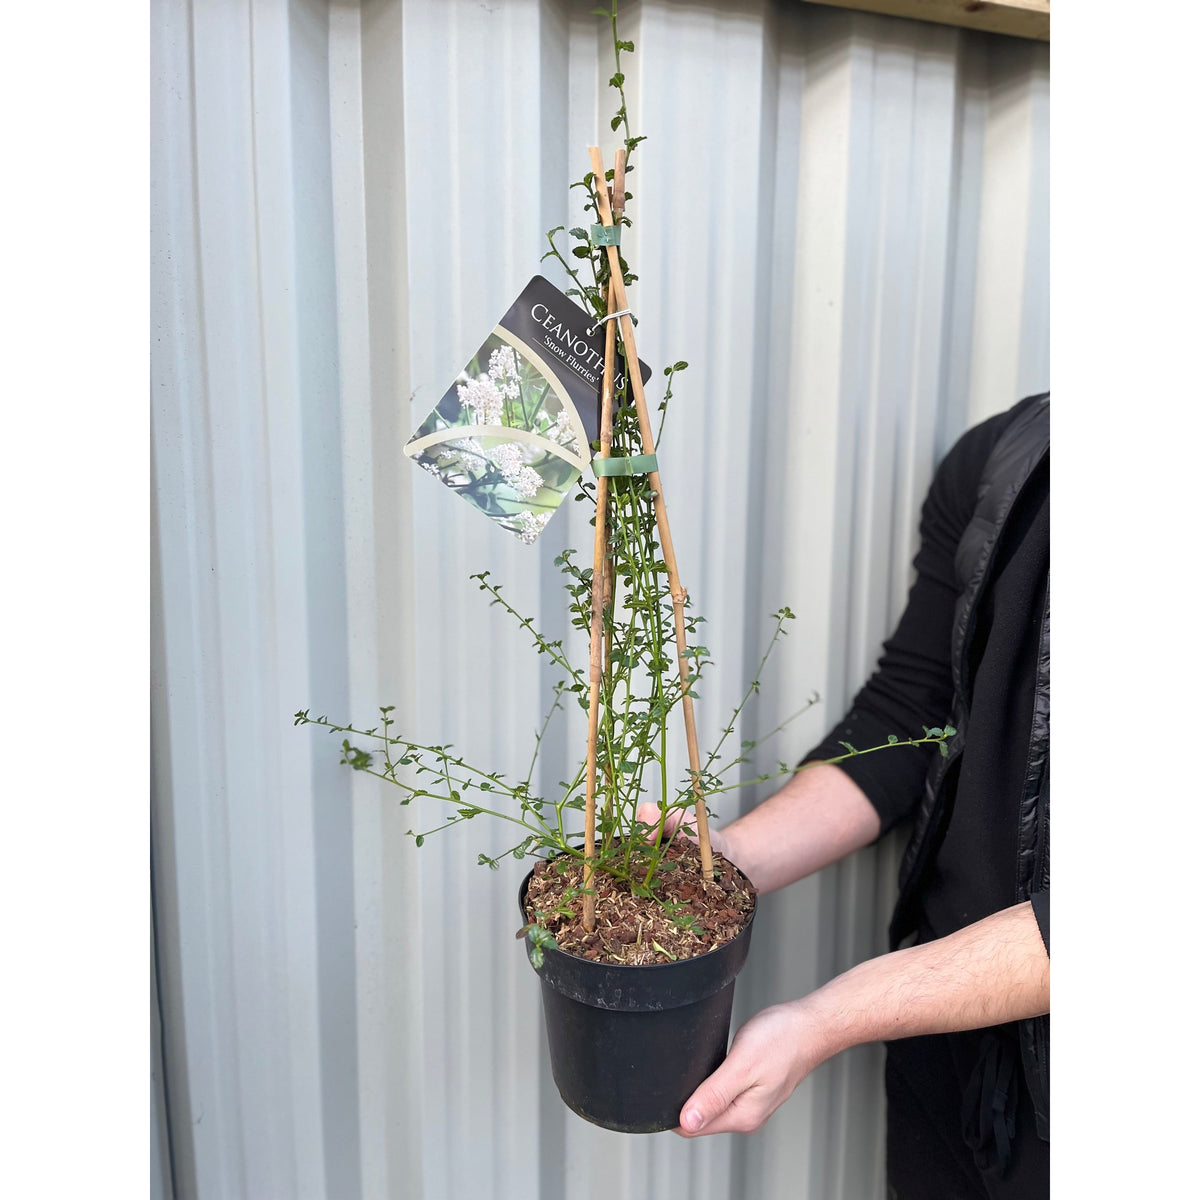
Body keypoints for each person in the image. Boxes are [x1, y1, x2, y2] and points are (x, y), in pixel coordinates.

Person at [639, 393, 1050, 1199]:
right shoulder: (1009, 458)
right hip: (947, 1048)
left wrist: (825, 1019)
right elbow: (910, 717)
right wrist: (728, 861)